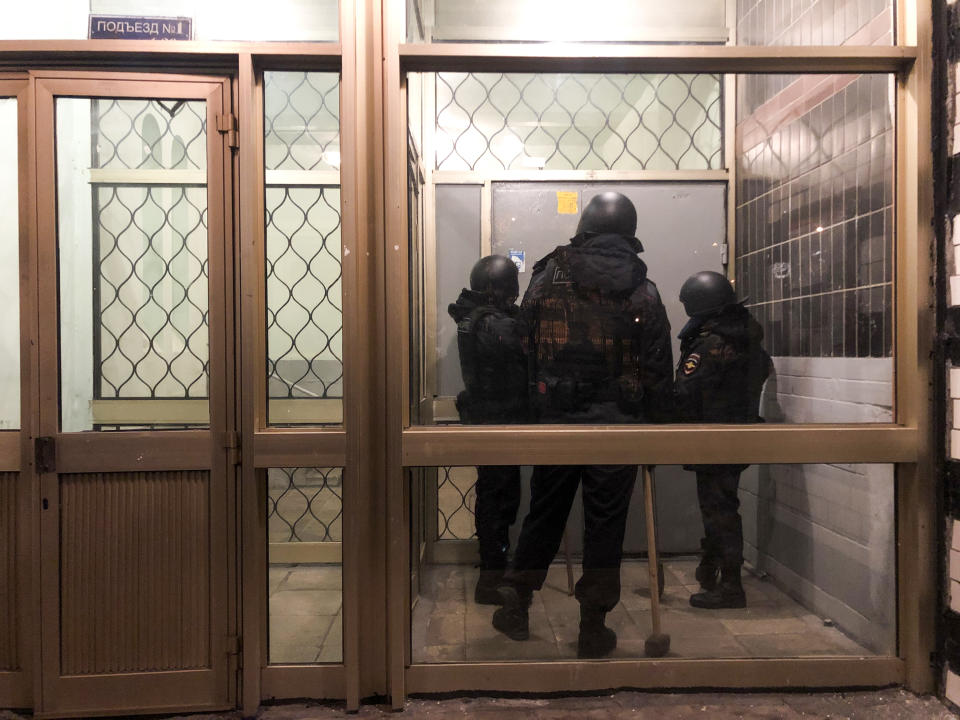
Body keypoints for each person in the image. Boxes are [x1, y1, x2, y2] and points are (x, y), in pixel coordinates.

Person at [492, 191, 674, 658]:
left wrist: (531, 409)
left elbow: (522, 344)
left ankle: (516, 599)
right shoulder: (643, 289)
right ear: (629, 233)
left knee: (545, 513)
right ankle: (592, 627)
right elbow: (657, 368)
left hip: (556, 422)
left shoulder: (545, 277)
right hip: (619, 428)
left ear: (585, 227)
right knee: (605, 527)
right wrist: (658, 431)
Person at [674, 270, 770, 609]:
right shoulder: (746, 338)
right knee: (722, 506)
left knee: (719, 510)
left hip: (712, 439)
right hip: (737, 437)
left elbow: (686, 390)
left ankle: (729, 587)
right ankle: (712, 566)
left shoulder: (710, 344)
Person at [448, 255, 529, 604]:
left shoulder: (475, 317)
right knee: (498, 500)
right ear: (497, 288)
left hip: (492, 420)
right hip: (498, 422)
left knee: (498, 497)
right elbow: (524, 349)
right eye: (511, 289)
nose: (514, 296)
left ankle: (494, 566)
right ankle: (492, 575)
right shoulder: (491, 322)